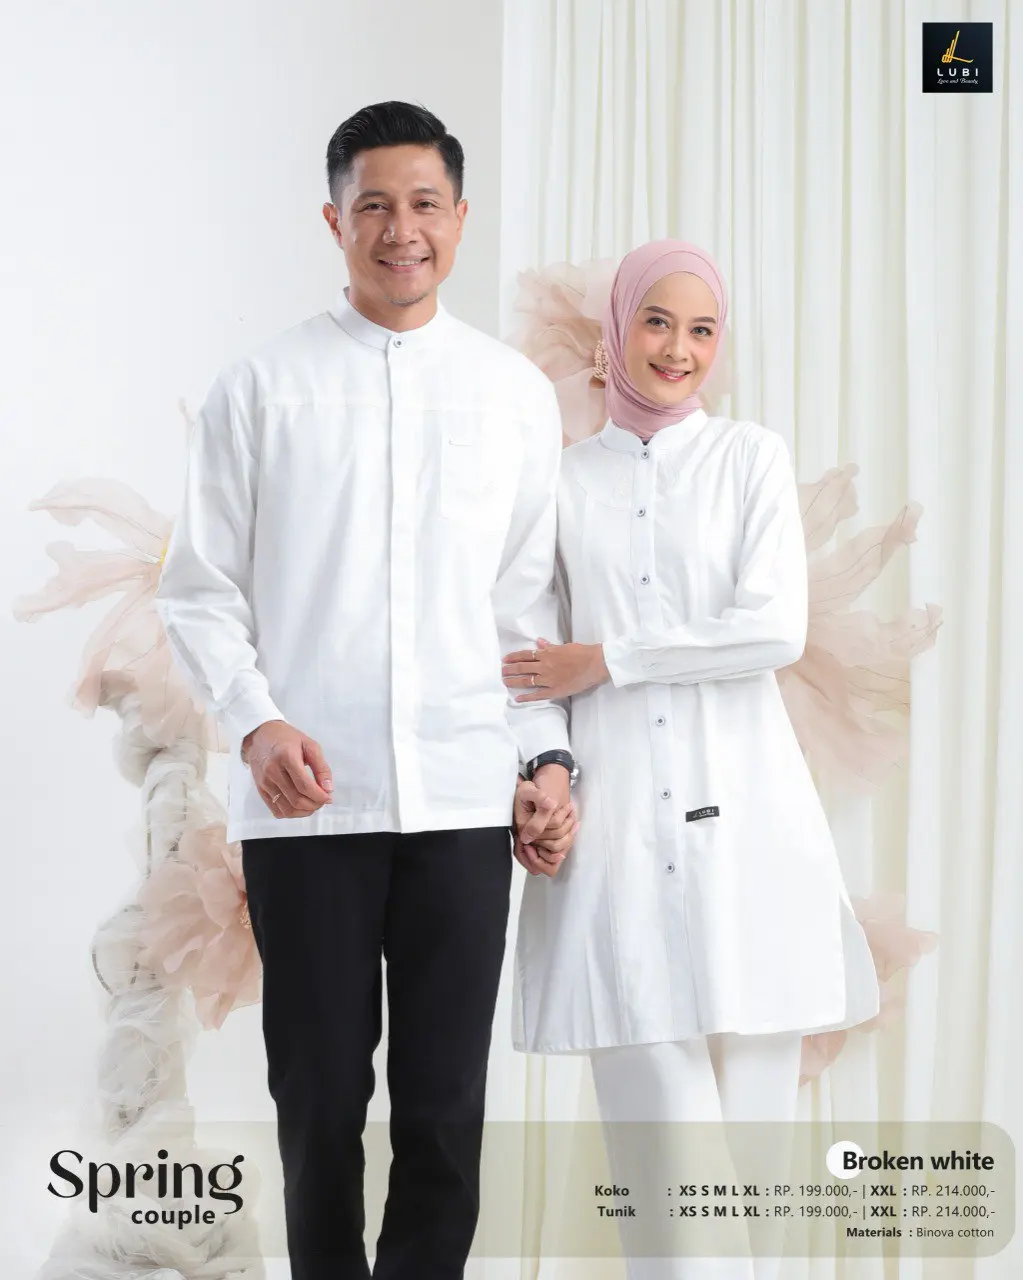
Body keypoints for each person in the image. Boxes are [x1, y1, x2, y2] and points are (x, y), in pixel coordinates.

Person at [155, 101, 580, 1280]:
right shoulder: (260, 388)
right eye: (376, 206)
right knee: (319, 1101)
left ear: (462, 218)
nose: (404, 230)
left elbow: (526, 616)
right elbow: (197, 589)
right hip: (309, 804)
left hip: (461, 798)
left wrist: (545, 757)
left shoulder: (511, 395)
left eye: (426, 204)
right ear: (333, 219)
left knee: (446, 1108)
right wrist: (256, 723)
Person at [502, 240, 881, 1280]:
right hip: (615, 842)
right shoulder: (561, 483)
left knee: (745, 1184)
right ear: (616, 329)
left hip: (752, 844)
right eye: (657, 322)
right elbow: (526, 664)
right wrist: (543, 770)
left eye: (702, 329)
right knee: (663, 1181)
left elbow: (774, 628)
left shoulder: (749, 458)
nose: (677, 349)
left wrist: (609, 658)